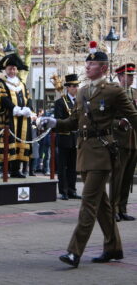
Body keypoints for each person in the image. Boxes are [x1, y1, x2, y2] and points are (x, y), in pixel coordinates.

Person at [41, 42, 137, 268]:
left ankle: (74, 252)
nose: (87, 66)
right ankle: (113, 247)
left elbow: (134, 116)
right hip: (85, 151)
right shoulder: (83, 91)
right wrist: (54, 122)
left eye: (92, 63)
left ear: (103, 68)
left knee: (88, 203)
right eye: (87, 62)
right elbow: (74, 122)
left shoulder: (114, 91)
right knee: (102, 204)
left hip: (103, 153)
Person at [0, 52, 32, 178]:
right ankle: (5, 170)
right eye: (10, 68)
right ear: (5, 69)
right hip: (8, 119)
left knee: (19, 144)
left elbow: (28, 97)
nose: (12, 71)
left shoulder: (21, 83)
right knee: (8, 144)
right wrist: (14, 108)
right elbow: (2, 99)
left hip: (22, 120)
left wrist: (28, 109)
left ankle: (16, 170)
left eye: (14, 68)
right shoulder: (1, 83)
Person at [111, 63, 137, 221]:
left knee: (128, 178)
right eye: (128, 75)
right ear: (120, 77)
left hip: (133, 141)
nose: (132, 78)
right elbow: (107, 118)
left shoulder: (135, 93)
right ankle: (112, 209)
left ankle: (122, 208)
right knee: (117, 177)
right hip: (120, 140)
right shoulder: (114, 94)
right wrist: (118, 123)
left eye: (133, 75)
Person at [54, 74, 81, 200]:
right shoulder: (60, 102)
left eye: (77, 86)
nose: (76, 88)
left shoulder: (80, 102)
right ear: (68, 87)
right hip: (64, 137)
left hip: (75, 138)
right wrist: (69, 121)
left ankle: (72, 190)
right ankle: (63, 191)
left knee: (73, 166)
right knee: (63, 166)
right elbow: (58, 119)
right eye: (74, 86)